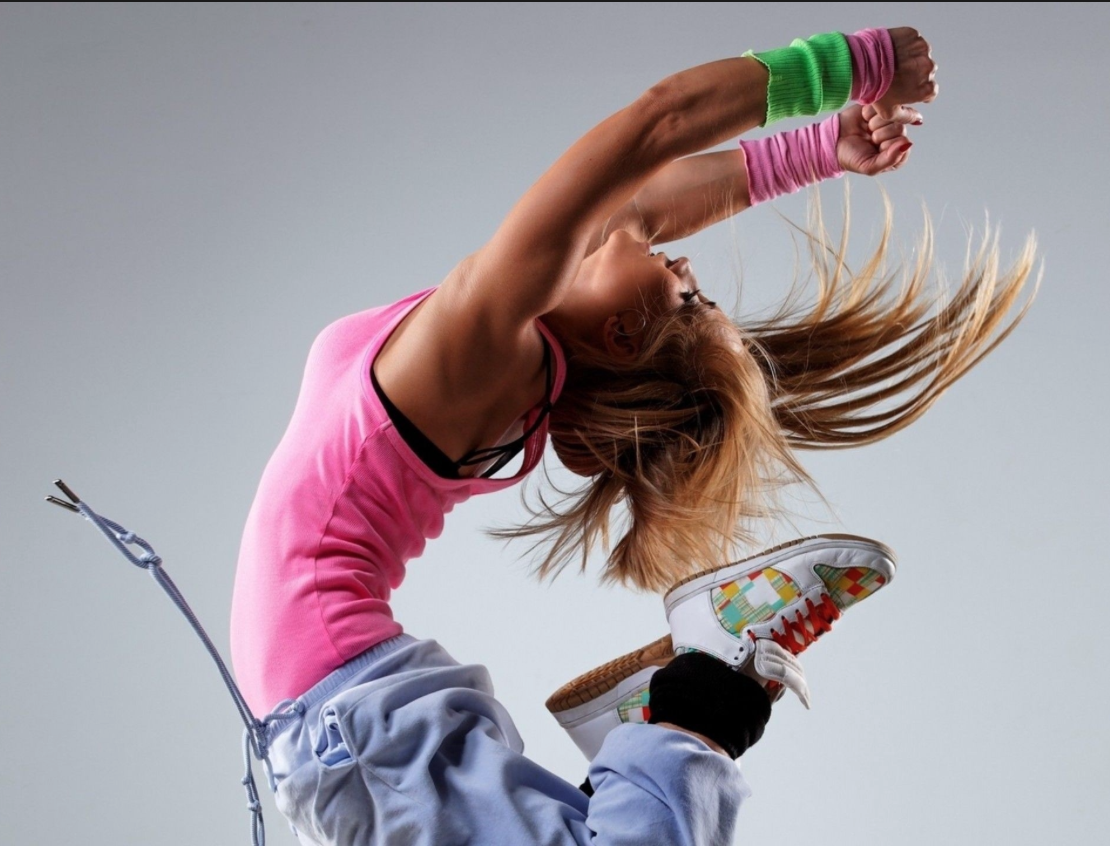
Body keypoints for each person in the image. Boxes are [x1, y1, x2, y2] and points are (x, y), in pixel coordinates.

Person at [229, 24, 1034, 845]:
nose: (682, 263)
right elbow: (649, 201)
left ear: (620, 336)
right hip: (346, 716)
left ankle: (696, 701)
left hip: (344, 721)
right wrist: (822, 147)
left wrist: (853, 65)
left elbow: (658, 123)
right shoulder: (510, 347)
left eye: (689, 297)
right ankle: (684, 709)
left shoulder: (485, 346)